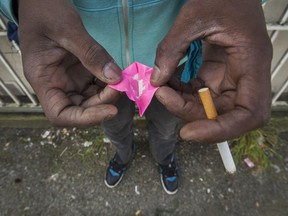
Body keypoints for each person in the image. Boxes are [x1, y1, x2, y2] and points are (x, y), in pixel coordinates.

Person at [0, 0, 272, 194]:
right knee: (113, 124)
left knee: (167, 125)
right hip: (92, 70)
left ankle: (164, 158)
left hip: (170, 66)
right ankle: (123, 154)